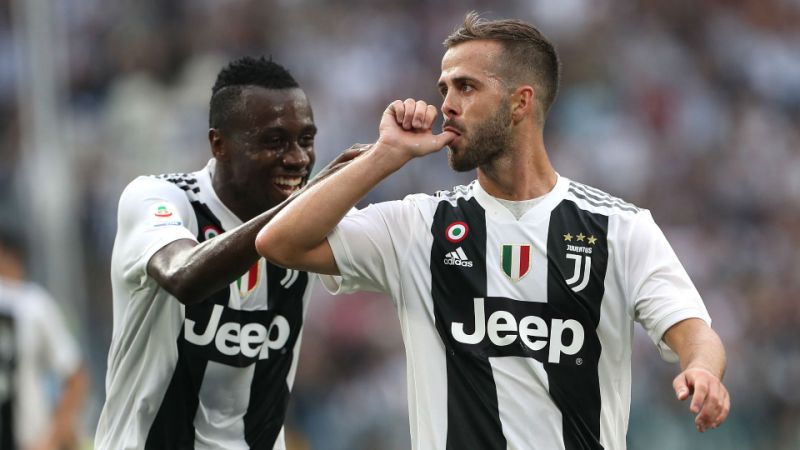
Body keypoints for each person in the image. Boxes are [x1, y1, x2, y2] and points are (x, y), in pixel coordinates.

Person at [256, 12, 730, 450]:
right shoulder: (420, 226)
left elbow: (694, 331)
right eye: (444, 89)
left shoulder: (618, 228)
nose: (446, 106)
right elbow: (279, 241)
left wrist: (704, 371)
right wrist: (384, 156)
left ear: (520, 102)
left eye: (465, 87)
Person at [94, 56, 361, 450]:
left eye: (306, 140)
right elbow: (183, 276)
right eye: (273, 141)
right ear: (219, 144)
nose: (298, 158)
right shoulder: (161, 198)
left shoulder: (309, 215)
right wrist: (303, 206)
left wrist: (389, 156)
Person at [0, 227, 89, 450]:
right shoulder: (34, 304)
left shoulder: (32, 305)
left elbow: (76, 379)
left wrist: (51, 438)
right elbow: (77, 378)